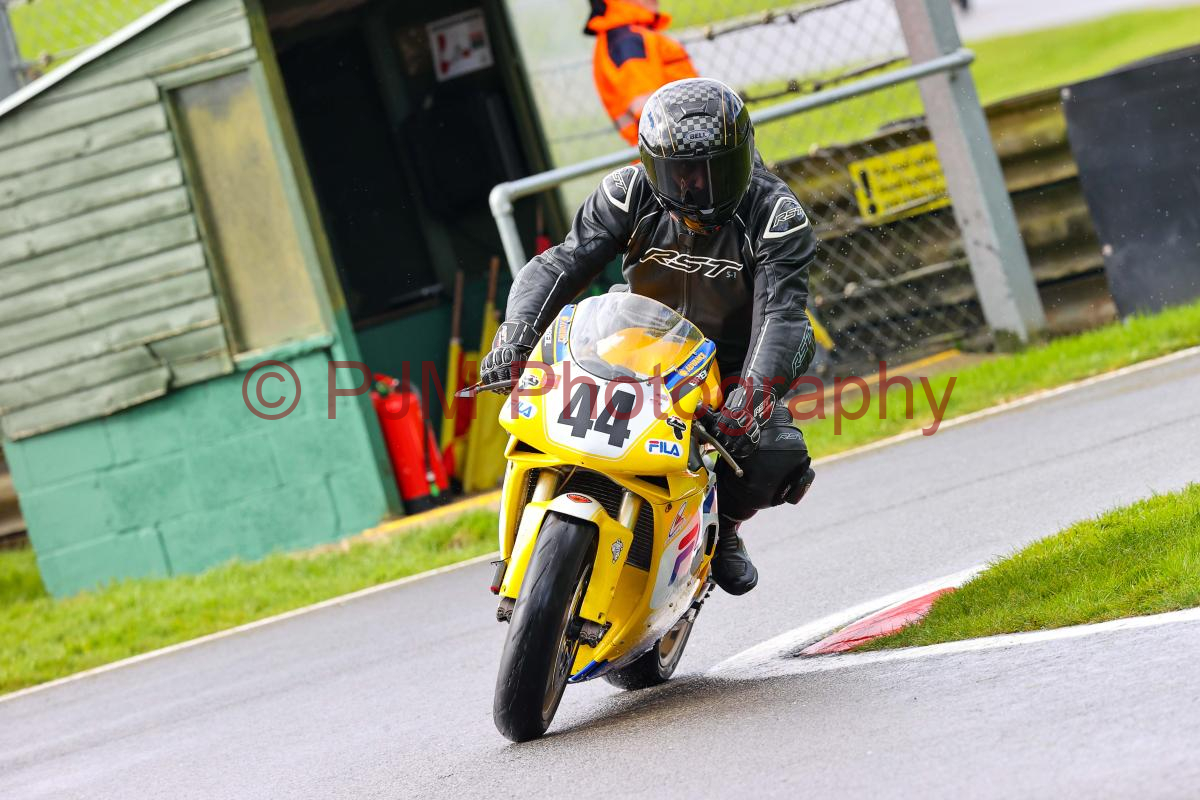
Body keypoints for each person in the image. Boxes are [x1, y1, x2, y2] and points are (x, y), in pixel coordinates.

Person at [482, 78, 816, 596]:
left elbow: (783, 316)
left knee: (777, 454)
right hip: (632, 341)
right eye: (680, 172)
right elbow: (560, 264)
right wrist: (516, 333)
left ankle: (721, 528)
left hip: (726, 369)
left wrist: (751, 398)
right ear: (651, 164)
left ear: (743, 156)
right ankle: (524, 537)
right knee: (541, 403)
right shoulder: (628, 192)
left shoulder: (775, 215)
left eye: (713, 170)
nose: (696, 188)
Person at [586, 0, 698, 146]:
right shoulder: (628, 42)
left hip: (673, 146)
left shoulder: (626, 36)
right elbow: (650, 113)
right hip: (676, 148)